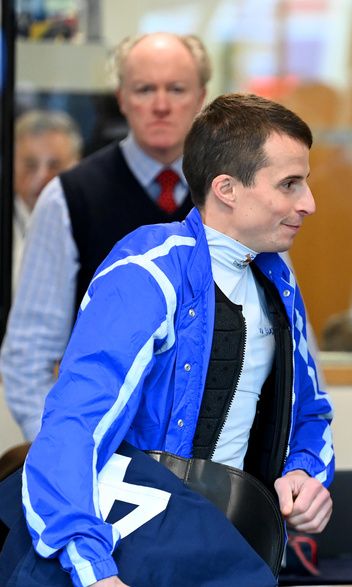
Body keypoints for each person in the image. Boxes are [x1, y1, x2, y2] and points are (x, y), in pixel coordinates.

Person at [16, 93, 334, 587]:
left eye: (305, 183)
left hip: (231, 549)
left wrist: (305, 475)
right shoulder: (147, 271)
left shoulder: (277, 281)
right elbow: (74, 427)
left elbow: (311, 413)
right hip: (127, 555)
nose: (308, 203)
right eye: (289, 184)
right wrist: (92, 568)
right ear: (227, 188)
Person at [0, 33, 210, 440]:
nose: (161, 104)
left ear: (201, 97)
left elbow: (288, 339)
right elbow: (28, 353)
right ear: (121, 97)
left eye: (177, 89)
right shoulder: (68, 198)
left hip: (218, 465)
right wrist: (65, 451)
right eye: (145, 89)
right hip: (104, 459)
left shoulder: (236, 195)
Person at [11, 109, 82, 294]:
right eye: (30, 165)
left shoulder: (90, 221)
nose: (42, 177)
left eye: (54, 165)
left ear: (77, 165)